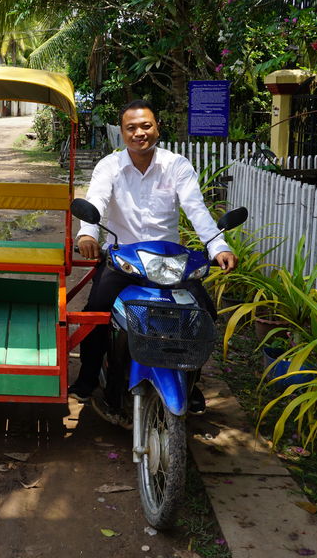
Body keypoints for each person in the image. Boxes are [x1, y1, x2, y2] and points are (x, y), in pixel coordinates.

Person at [70, 99, 237, 418]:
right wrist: (88, 233)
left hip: (169, 262)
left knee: (201, 314)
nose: (139, 133)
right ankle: (88, 378)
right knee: (95, 315)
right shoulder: (110, 166)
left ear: (157, 127)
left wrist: (218, 247)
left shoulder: (177, 165)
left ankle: (190, 379)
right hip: (124, 259)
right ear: (122, 132)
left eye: (145, 125)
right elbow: (97, 200)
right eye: (131, 128)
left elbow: (196, 209)